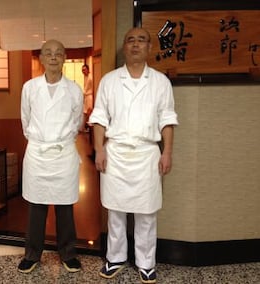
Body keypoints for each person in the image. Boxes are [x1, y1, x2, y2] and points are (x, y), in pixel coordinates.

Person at [88, 27, 178, 284]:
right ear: (124, 47)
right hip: (115, 153)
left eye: (141, 40)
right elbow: (99, 118)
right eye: (130, 40)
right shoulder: (110, 80)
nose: (136, 44)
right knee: (115, 212)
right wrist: (99, 149)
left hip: (148, 153)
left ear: (150, 47)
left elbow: (167, 120)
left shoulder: (160, 82)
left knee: (147, 212)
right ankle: (115, 258)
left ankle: (146, 263)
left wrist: (167, 152)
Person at [18, 39, 84, 274]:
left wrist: (59, 139)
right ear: (42, 59)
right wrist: (40, 140)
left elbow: (78, 121)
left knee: (65, 206)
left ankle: (68, 253)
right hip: (38, 151)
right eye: (48, 53)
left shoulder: (74, 89)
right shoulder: (30, 87)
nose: (53, 57)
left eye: (58, 53)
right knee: (36, 205)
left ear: (64, 57)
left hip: (63, 151)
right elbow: (25, 120)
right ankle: (32, 254)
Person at [79, 64, 93, 132]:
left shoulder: (90, 77)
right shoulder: (86, 76)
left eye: (84, 70)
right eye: (82, 70)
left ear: (88, 70)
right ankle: (83, 128)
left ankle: (89, 129)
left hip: (89, 97)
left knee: (89, 112)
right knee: (84, 113)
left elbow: (86, 89)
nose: (83, 71)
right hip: (86, 96)